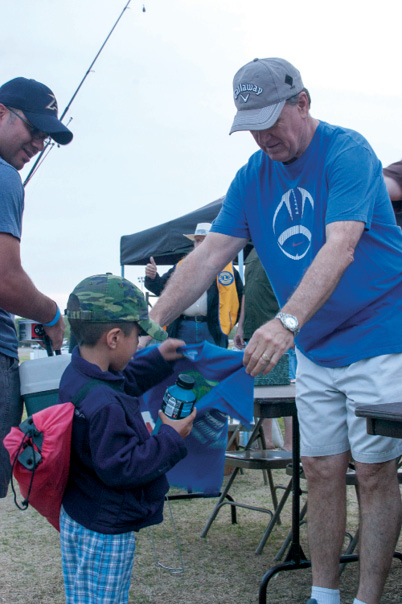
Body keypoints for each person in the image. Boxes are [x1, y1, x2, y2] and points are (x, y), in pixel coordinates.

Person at [148, 58, 402, 604]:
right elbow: (211, 253)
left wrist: (286, 321)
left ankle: (369, 598)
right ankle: (325, 593)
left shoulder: (347, 151)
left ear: (303, 103)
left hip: (381, 335)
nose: (263, 136)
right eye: (250, 123)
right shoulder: (251, 176)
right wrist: (154, 319)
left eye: (271, 120)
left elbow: (342, 246)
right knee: (319, 467)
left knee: (376, 474)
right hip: (317, 347)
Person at [59, 273, 196, 604]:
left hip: (80, 515)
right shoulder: (104, 403)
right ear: (115, 338)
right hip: (106, 530)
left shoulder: (79, 374)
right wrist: (171, 436)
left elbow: (125, 379)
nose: (139, 345)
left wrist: (160, 358)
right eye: (138, 338)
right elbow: (124, 467)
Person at [0, 77, 73, 499]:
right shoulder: (5, 178)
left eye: (46, 138)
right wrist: (51, 314)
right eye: (34, 130)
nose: (38, 144)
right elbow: (5, 280)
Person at [145, 222, 243, 348]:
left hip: (213, 328)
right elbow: (161, 289)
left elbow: (241, 298)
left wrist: (231, 324)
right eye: (197, 241)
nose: (200, 244)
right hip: (182, 326)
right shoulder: (180, 267)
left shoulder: (227, 269)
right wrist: (153, 277)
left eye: (204, 240)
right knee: (181, 364)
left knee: (211, 365)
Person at [234, 246, 293, 450]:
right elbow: (245, 293)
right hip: (253, 330)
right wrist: (240, 326)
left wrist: (290, 327)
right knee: (261, 388)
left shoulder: (282, 246)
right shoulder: (252, 252)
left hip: (279, 332)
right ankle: (267, 442)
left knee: (286, 388)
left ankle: (290, 444)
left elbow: (293, 287)